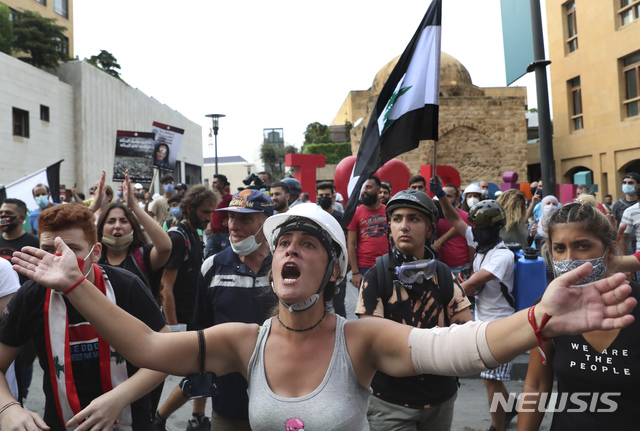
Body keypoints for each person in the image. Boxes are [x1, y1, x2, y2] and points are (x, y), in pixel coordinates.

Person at [11, 203, 638, 431]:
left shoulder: (361, 340)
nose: (291, 251)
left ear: (333, 270)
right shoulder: (241, 343)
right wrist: (77, 286)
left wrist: (538, 319)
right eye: (285, 243)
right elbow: (148, 347)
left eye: (309, 244)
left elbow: (459, 347)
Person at [1, 204, 168, 431]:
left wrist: (119, 397)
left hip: (130, 422)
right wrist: (8, 407)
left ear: (96, 252)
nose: (58, 261)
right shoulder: (32, 295)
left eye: (71, 249)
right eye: (48, 249)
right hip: (61, 423)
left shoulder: (125, 285)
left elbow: (166, 355)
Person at [518, 195, 640, 430]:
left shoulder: (635, 303)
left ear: (607, 250)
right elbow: (535, 386)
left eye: (582, 245)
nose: (570, 259)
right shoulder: (547, 308)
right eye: (559, 248)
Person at [357, 190, 473, 431]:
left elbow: (466, 332)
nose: (404, 226)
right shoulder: (376, 276)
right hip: (390, 404)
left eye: (414, 219)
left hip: (441, 399)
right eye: (397, 219)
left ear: (430, 229)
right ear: (389, 226)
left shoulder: (444, 275)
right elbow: (370, 341)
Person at [432, 177, 517, 431]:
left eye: (479, 229)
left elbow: (468, 287)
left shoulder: (501, 256)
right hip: (484, 321)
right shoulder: (481, 245)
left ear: (492, 229)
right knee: (488, 378)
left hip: (502, 324)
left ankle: (497, 427)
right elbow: (456, 220)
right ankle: (509, 407)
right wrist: (440, 195)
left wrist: (435, 293)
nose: (473, 232)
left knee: (491, 380)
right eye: (474, 228)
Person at [191, 189, 277, 430]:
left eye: (245, 218)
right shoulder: (212, 267)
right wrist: (198, 409)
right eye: (231, 217)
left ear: (267, 224)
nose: (233, 226)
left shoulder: (286, 265)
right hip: (227, 405)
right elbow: (200, 337)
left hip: (282, 402)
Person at [153, 185, 218, 431]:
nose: (208, 218)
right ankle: (158, 418)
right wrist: (175, 329)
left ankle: (197, 417)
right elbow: (165, 287)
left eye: (212, 212)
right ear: (189, 208)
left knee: (206, 370)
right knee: (198, 373)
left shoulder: (195, 233)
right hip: (182, 320)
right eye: (205, 212)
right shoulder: (177, 237)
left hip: (197, 316)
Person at [96, 170, 172, 304]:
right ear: (101, 228)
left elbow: (165, 247)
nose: (117, 226)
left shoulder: (143, 256)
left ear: (133, 227)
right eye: (111, 221)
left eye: (124, 221)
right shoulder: (92, 258)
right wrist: (94, 206)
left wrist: (134, 206)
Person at [347, 174, 388, 289]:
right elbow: (350, 244)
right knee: (366, 305)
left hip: (385, 266)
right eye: (363, 187)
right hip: (364, 268)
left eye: (369, 187)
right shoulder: (356, 213)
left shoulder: (388, 211)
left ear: (378, 189)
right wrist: (355, 272)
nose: (364, 191)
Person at [316, 181, 346, 318]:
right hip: (317, 267)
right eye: (321, 195)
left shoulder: (341, 218)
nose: (324, 198)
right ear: (316, 197)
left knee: (339, 304)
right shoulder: (313, 218)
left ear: (333, 196)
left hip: (338, 268)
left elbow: (347, 242)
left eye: (327, 195)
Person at [432, 184, 473, 278]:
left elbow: (472, 244)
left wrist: (471, 266)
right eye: (442, 195)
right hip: (440, 267)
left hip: (461, 268)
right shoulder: (435, 216)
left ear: (457, 198)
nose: (444, 199)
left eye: (449, 196)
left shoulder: (465, 217)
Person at [0, 199, 40, 284]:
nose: (3, 216)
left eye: (8, 213)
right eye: (1, 213)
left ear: (22, 218)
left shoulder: (35, 243)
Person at [204, 174, 231, 257]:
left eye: (215, 182)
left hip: (226, 235)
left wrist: (230, 220)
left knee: (226, 258)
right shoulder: (212, 199)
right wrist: (209, 225)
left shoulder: (230, 198)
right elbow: (210, 212)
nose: (213, 184)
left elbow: (236, 212)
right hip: (213, 235)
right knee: (208, 257)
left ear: (222, 184)